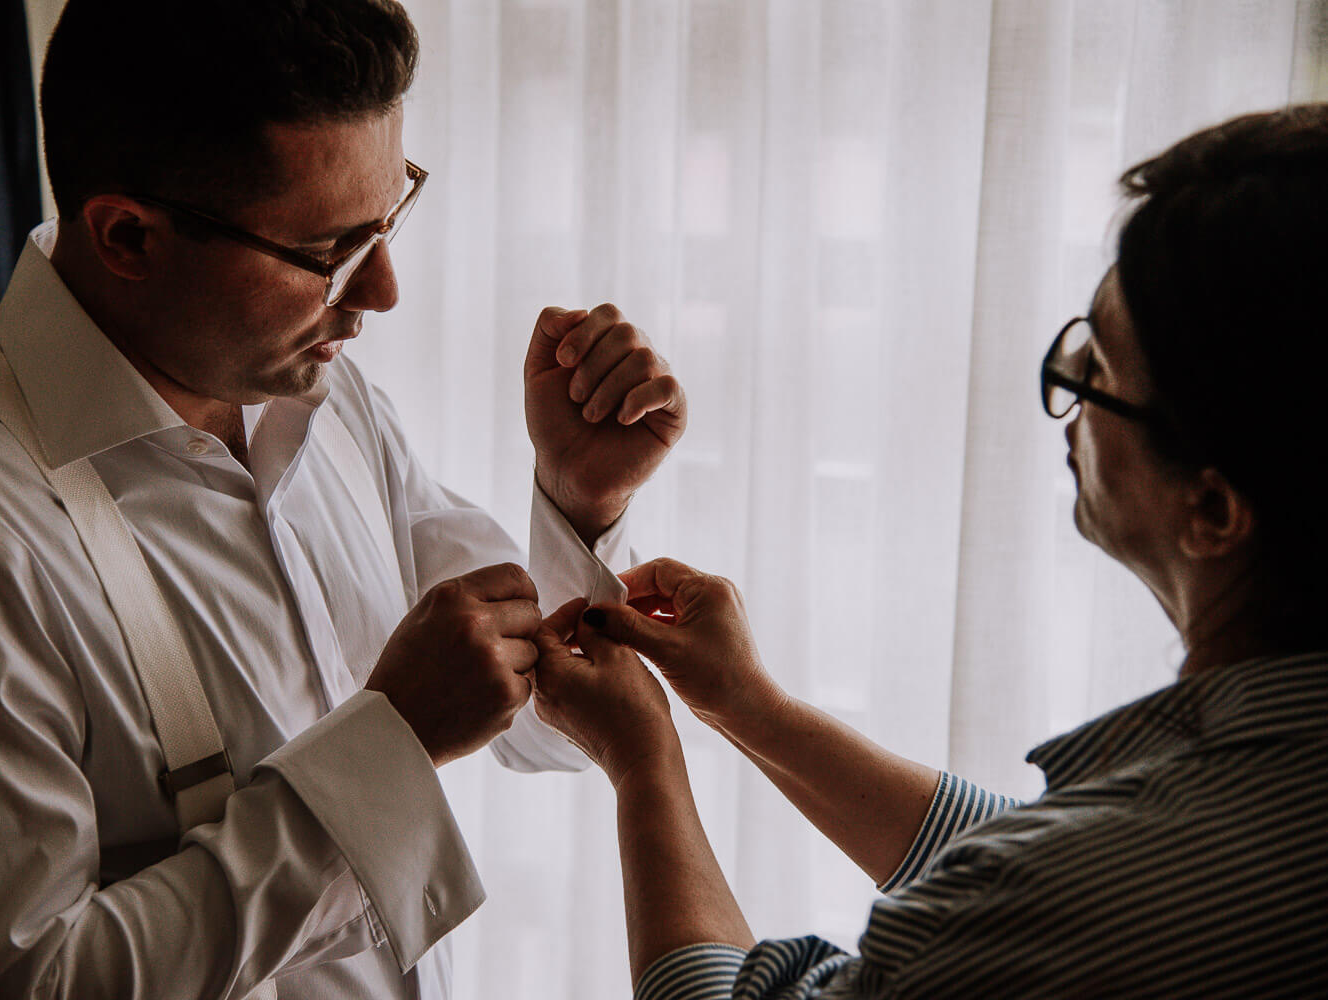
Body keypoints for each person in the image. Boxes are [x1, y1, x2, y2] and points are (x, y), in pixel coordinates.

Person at [0, 1, 686, 998]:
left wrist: (579, 499)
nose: (384, 293)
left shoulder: (324, 396)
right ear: (127, 236)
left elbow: (544, 721)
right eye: (330, 252)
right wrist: (390, 747)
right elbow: (18, 984)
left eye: (389, 216)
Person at [532, 103, 1328, 998]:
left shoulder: (1069, 897)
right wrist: (751, 707)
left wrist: (645, 762)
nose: (1067, 394)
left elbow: (1050, 890)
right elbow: (1048, 853)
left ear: (1214, 509)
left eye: (1097, 369)